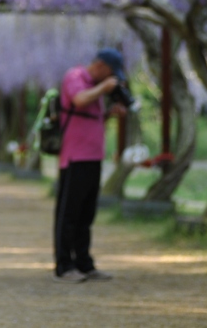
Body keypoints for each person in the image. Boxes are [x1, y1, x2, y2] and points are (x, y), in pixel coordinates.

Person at [53, 48, 129, 283]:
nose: (110, 79)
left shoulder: (95, 87)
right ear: (101, 66)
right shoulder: (75, 77)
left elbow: (86, 117)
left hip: (94, 157)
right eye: (110, 74)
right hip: (75, 157)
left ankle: (84, 263)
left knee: (86, 214)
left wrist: (108, 114)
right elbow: (79, 99)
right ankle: (64, 266)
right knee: (69, 214)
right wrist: (104, 89)